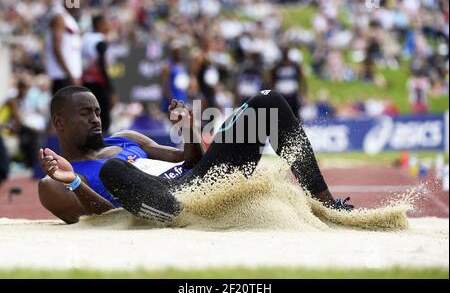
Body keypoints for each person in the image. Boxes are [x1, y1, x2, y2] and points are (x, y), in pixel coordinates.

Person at [38, 86, 353, 224]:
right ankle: (174, 215)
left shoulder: (126, 138)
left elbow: (192, 162)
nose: (96, 118)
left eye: (96, 111)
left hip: (202, 185)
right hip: (161, 204)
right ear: (59, 122)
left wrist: (189, 130)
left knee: (266, 103)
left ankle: (327, 203)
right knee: (113, 171)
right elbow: (102, 222)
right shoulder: (54, 182)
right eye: (85, 113)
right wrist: (76, 183)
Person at [45, 0, 82, 94]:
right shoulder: (59, 17)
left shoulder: (69, 18)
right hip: (62, 77)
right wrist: (70, 75)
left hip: (69, 77)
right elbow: (57, 48)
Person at [82, 14, 115, 133]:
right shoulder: (100, 39)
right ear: (100, 25)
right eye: (106, 22)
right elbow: (101, 66)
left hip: (85, 82)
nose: (109, 25)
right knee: (103, 117)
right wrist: (110, 89)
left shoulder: (85, 38)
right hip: (98, 83)